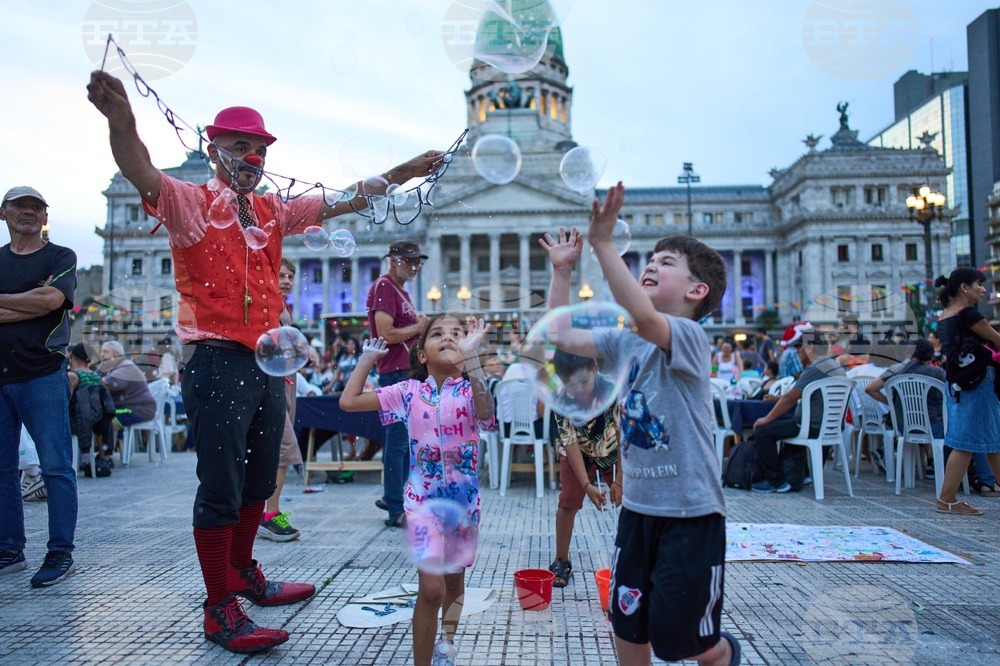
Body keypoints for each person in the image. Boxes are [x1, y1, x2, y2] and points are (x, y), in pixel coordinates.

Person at [88, 69, 443, 652]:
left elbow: (343, 199)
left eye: (259, 149)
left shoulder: (272, 211)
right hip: (215, 356)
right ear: (215, 152)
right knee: (221, 484)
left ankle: (244, 571)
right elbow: (140, 170)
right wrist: (123, 123)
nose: (252, 156)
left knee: (256, 478)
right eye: (239, 148)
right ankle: (218, 604)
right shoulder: (189, 203)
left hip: (264, 358)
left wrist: (404, 172)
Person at [542, 188, 738, 665]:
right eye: (648, 259)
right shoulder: (626, 342)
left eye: (665, 262)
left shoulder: (689, 337)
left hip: (690, 515)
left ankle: (724, 652)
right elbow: (561, 334)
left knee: (681, 641)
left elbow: (646, 317)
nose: (651, 264)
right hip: (638, 510)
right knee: (627, 624)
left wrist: (604, 244)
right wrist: (562, 272)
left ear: (697, 292)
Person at [340, 315, 495, 666]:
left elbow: (487, 411)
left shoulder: (473, 390)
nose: (449, 338)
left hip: (463, 507)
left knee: (455, 583)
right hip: (421, 505)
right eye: (438, 333)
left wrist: (472, 360)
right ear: (421, 355)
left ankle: (447, 642)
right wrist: (367, 360)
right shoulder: (408, 392)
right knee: (431, 590)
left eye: (457, 334)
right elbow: (348, 402)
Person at [0, 185, 79, 587]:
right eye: (19, 206)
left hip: (44, 372)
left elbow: (51, 301)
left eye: (36, 207)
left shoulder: (60, 256)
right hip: (1, 375)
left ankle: (60, 551)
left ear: (45, 217)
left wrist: (19, 301)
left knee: (56, 467)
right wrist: (29, 300)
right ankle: (9, 549)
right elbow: (41, 300)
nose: (28, 212)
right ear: (4, 213)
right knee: (1, 468)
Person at [366, 240, 429, 528]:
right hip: (395, 373)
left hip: (406, 372)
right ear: (394, 260)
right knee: (398, 443)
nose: (415, 267)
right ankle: (395, 507)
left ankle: (395, 496)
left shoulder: (400, 290)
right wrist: (419, 327)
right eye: (409, 261)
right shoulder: (384, 286)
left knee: (406, 441)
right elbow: (385, 334)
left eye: (418, 262)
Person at [931, 269, 1000, 516]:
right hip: (979, 382)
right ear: (964, 287)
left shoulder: (944, 316)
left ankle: (947, 498)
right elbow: (998, 341)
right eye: (979, 284)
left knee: (986, 440)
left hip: (958, 383)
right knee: (970, 442)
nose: (983, 289)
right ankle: (947, 498)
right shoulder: (969, 315)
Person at [751, 329, 845, 493]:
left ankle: (777, 482)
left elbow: (789, 399)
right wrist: (777, 399)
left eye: (799, 347)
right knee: (785, 426)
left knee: (762, 431)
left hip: (810, 426)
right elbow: (806, 397)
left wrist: (766, 419)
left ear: (809, 347)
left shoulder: (816, 368)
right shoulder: (835, 367)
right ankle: (803, 474)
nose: (798, 352)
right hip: (830, 426)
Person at [258, 258, 305, 542]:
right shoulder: (267, 303)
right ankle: (270, 514)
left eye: (290, 276)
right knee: (284, 446)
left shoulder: (283, 305)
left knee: (276, 447)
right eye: (281, 275)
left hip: (285, 380)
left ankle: (263, 512)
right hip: (272, 380)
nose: (286, 281)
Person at [864, 338, 947, 481]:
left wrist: (892, 403)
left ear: (910, 353)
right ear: (931, 355)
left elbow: (870, 388)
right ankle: (942, 466)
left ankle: (929, 464)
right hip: (933, 426)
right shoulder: (938, 373)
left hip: (904, 426)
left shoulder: (896, 369)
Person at [97, 341, 157, 457]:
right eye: (101, 351)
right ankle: (106, 454)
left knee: (104, 419)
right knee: (101, 415)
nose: (102, 355)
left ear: (117, 355)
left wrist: (98, 371)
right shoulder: (119, 366)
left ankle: (105, 457)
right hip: (132, 406)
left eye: (106, 352)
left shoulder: (125, 367)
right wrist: (102, 368)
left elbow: (106, 384)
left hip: (139, 409)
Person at [67, 343, 115, 478]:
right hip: (95, 423)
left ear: (70, 356)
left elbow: (66, 402)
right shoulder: (97, 377)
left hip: (78, 423)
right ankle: (101, 456)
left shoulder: (73, 376)